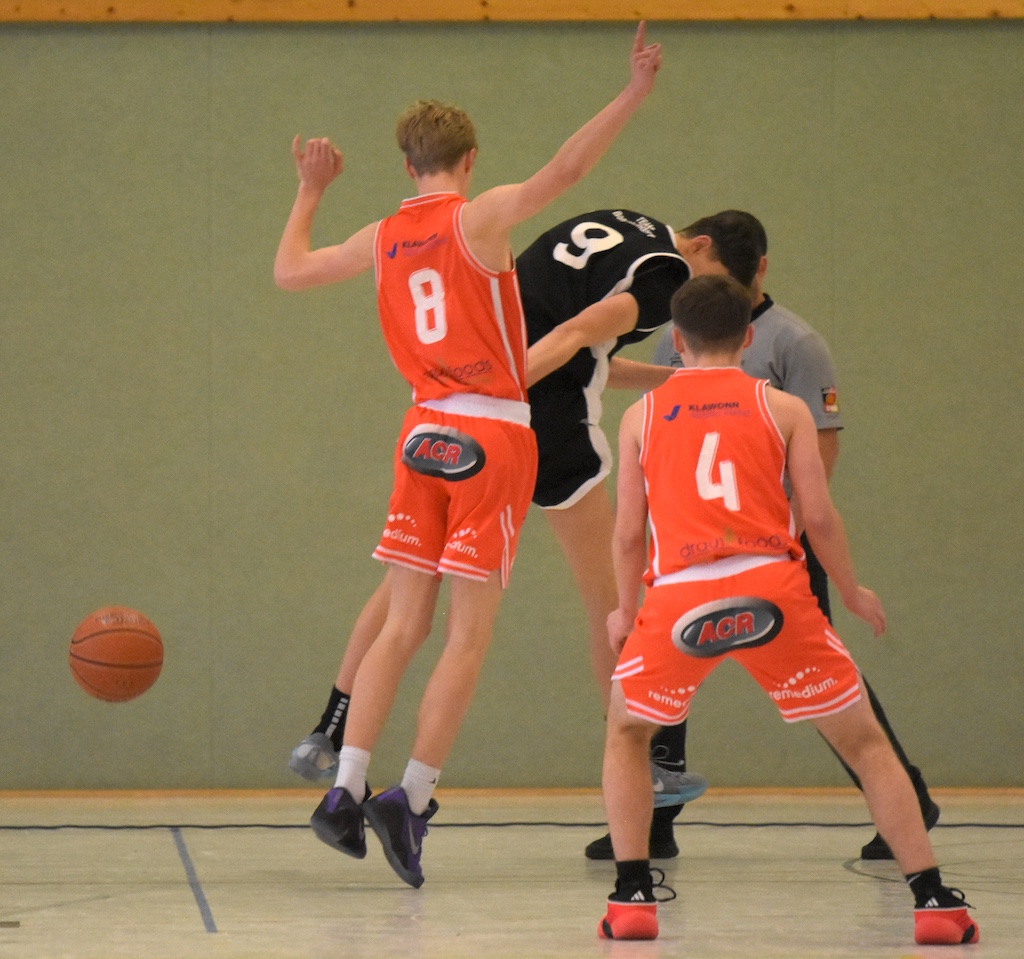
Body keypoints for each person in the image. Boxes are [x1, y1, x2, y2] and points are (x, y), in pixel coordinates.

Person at [273, 22, 664, 889]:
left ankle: (343, 787)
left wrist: (308, 190)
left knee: (402, 622)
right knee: (467, 634)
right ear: (470, 158)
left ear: (406, 164)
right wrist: (633, 93)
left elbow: (289, 273)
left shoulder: (380, 236)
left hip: (420, 432)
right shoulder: (479, 217)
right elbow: (567, 172)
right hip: (491, 429)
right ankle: (409, 799)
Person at [287, 208, 762, 856]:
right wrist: (495, 400)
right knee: (607, 596)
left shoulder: (617, 228)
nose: (697, 305)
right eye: (709, 286)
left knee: (405, 592)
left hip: (452, 407)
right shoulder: (661, 278)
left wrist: (678, 379)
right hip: (516, 413)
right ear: (699, 248)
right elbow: (568, 339)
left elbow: (583, 356)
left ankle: (332, 729)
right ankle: (636, 751)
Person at [598, 274, 978, 946]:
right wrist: (853, 590)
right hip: (770, 586)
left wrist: (625, 608)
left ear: (675, 343)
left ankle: (631, 894)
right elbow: (820, 517)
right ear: (747, 338)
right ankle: (935, 899)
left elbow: (629, 532)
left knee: (629, 733)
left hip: (681, 592)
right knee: (865, 742)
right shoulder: (784, 409)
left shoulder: (641, 415)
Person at [650, 210, 939, 861]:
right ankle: (652, 822)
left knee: (825, 680)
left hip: (774, 543)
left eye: (701, 266)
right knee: (667, 672)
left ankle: (905, 799)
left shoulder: (795, 343)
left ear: (754, 272)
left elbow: (820, 461)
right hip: (692, 542)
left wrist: (786, 531)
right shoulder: (675, 338)